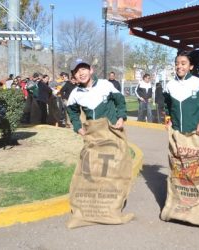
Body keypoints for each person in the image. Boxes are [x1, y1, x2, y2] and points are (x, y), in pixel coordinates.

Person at [66, 61, 133, 228]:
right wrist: (77, 127)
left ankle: (111, 209)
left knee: (115, 168)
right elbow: (72, 112)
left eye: (83, 69)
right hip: (93, 136)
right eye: (77, 71)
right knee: (92, 170)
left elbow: (120, 101)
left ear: (91, 70)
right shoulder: (75, 93)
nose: (80, 73)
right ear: (74, 75)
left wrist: (120, 117)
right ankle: (92, 207)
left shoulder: (105, 85)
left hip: (112, 133)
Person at [161, 50, 199, 226]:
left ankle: (197, 212)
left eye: (183, 63)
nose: (179, 66)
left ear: (191, 66)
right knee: (178, 170)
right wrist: (168, 120)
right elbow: (167, 106)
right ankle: (176, 208)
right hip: (177, 135)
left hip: (195, 134)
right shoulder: (169, 86)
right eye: (177, 63)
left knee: (196, 170)